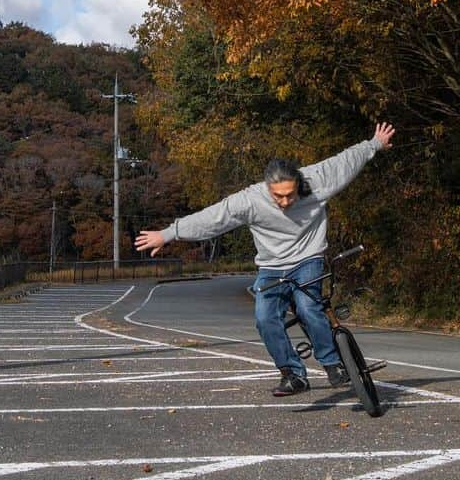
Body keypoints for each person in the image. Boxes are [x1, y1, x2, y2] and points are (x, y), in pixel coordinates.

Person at [135, 123, 395, 396]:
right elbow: (213, 218)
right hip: (272, 266)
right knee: (264, 317)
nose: (285, 202)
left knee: (308, 307)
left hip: (308, 258)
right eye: (278, 196)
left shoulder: (317, 180)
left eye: (291, 195)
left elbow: (345, 162)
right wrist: (168, 233)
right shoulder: (250, 200)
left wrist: (374, 143)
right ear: (268, 189)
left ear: (299, 184)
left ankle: (333, 364)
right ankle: (292, 374)